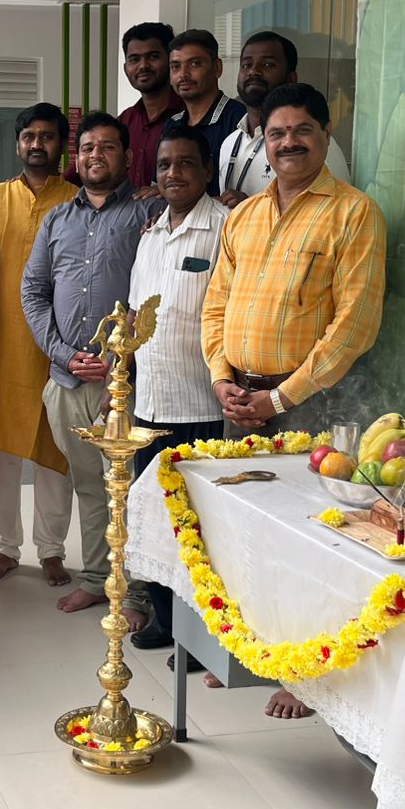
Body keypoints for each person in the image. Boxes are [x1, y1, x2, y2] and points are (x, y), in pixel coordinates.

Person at [201, 83, 387, 718]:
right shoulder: (244, 216)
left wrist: (280, 398)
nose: (288, 143)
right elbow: (216, 304)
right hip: (239, 398)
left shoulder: (354, 214)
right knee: (247, 535)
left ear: (326, 136)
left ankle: (307, 677)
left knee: (314, 542)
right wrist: (221, 376)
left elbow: (355, 326)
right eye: (277, 133)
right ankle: (252, 656)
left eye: (302, 130)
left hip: (311, 405)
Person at [20, 111, 156, 628]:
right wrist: (61, 353)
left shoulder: (149, 212)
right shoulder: (58, 219)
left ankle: (137, 590)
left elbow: (155, 294)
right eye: (87, 148)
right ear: (75, 158)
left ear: (127, 156)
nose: (95, 155)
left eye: (107, 147)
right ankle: (98, 579)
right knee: (89, 487)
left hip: (124, 385)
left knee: (130, 490)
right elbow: (34, 291)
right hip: (67, 379)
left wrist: (122, 364)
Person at [124, 124, 230, 653]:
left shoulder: (225, 229)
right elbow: (134, 316)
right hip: (149, 404)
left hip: (200, 404)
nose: (174, 173)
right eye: (165, 164)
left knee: (199, 527)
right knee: (157, 520)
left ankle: (201, 636)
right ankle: (166, 621)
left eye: (186, 163)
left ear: (207, 170)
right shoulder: (150, 235)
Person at [0, 103, 76, 586]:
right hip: (3, 348)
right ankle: (4, 547)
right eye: (29, 136)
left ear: (62, 145)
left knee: (57, 455)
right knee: (3, 455)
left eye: (47, 136)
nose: (37, 144)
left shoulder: (76, 200)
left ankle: (51, 550)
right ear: (17, 144)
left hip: (59, 350)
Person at [216, 31, 352, 207]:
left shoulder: (314, 144)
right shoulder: (230, 143)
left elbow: (336, 211)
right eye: (246, 65)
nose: (253, 71)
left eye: (267, 64)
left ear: (291, 79)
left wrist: (252, 209)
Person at [66, 22, 179, 194]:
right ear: (126, 68)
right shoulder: (124, 121)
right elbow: (73, 175)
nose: (143, 66)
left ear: (171, 61)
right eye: (134, 59)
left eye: (153, 56)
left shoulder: (188, 118)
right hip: (122, 210)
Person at [166, 29, 247, 198]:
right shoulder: (172, 124)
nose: (183, 75)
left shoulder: (241, 120)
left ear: (217, 68)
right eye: (175, 67)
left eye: (195, 64)